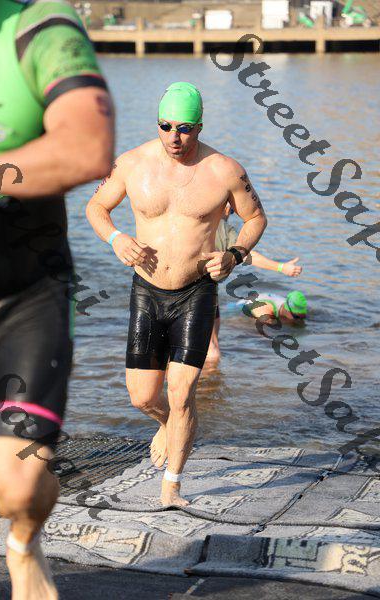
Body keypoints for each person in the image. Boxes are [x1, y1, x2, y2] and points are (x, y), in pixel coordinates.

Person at [0, 1, 114, 598]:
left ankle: (23, 542)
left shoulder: (38, 25)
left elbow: (87, 148)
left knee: (18, 488)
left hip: (23, 296)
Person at [86, 81, 267, 507]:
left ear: (199, 126)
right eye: (166, 126)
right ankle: (168, 424)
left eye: (184, 128)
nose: (174, 136)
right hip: (147, 291)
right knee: (143, 396)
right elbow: (96, 207)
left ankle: (172, 486)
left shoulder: (225, 170)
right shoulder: (131, 164)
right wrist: (115, 238)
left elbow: (256, 217)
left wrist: (234, 254)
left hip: (196, 292)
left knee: (182, 393)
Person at [206, 202, 303, 363]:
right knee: (212, 346)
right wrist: (281, 267)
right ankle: (211, 377)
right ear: (226, 208)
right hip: (204, 291)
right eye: (232, 211)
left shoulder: (187, 220)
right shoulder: (222, 228)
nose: (230, 215)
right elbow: (247, 255)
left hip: (173, 286)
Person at [228, 290, 308, 322]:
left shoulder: (288, 303)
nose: (300, 320)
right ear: (287, 309)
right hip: (239, 308)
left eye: (303, 317)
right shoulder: (265, 311)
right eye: (297, 317)